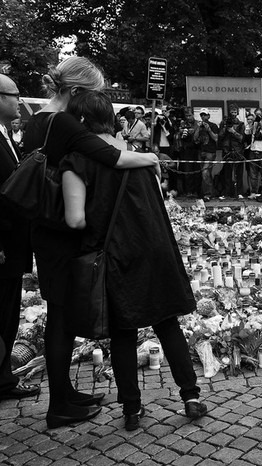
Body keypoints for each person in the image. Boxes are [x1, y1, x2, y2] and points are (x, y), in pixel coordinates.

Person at [21, 56, 160, 429]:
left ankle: (65, 393)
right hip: (62, 233)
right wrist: (149, 157)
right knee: (61, 319)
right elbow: (111, 156)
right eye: (95, 92)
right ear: (78, 91)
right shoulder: (63, 122)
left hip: (44, 228)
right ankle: (59, 404)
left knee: (60, 315)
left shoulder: (36, 121)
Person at [62, 90, 207, 431]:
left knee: (124, 333)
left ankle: (131, 409)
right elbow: (156, 201)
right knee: (167, 323)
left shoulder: (76, 162)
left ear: (80, 121)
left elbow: (75, 220)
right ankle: (190, 396)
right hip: (154, 250)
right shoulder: (139, 157)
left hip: (116, 256)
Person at [0, 74, 38, 403]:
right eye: (14, 96)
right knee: (2, 313)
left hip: (12, 243)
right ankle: (1, 381)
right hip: (2, 245)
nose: (18, 102)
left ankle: (3, 378)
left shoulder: (6, 134)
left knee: (8, 313)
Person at [193, 108, 219, 202]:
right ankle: (210, 192)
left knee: (205, 172)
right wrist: (198, 128)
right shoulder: (199, 126)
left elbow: (216, 138)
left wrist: (208, 130)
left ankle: (208, 194)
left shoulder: (213, 125)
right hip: (201, 151)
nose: (203, 117)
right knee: (205, 174)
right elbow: (195, 139)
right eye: (202, 115)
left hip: (210, 152)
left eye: (205, 115)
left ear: (208, 116)